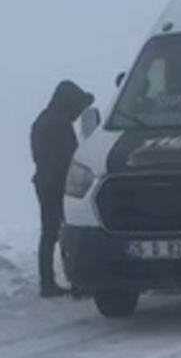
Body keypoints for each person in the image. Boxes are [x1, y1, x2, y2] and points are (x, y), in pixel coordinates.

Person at [30, 80, 94, 298]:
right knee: (68, 233)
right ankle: (77, 283)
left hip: (45, 183)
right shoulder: (59, 124)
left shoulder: (43, 120)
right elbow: (68, 159)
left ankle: (47, 281)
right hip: (58, 186)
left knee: (49, 232)